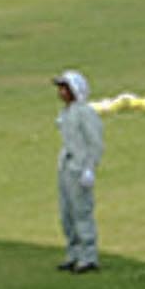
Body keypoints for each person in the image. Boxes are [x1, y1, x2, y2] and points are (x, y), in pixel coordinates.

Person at [52, 70, 104, 273]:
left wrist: (90, 168)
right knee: (67, 212)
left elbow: (95, 143)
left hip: (80, 167)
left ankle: (88, 255)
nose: (61, 92)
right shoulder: (66, 113)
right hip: (66, 165)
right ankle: (73, 253)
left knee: (81, 211)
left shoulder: (85, 112)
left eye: (65, 88)